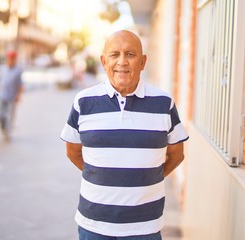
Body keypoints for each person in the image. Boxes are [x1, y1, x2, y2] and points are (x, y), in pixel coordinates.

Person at [60, 30, 189, 240]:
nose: (122, 61)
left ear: (143, 61)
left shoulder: (164, 103)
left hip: (144, 227)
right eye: (114, 55)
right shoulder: (83, 102)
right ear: (103, 61)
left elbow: (177, 155)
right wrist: (102, 175)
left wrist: (146, 178)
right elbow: (73, 152)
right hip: (93, 225)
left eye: (130, 54)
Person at [0, 50, 23, 141]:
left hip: (12, 97)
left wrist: (18, 95)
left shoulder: (18, 70)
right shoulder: (2, 69)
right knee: (0, 114)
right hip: (2, 95)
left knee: (10, 116)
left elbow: (20, 84)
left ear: (15, 60)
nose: (10, 61)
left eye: (12, 59)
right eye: (9, 59)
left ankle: (7, 132)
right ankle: (2, 128)